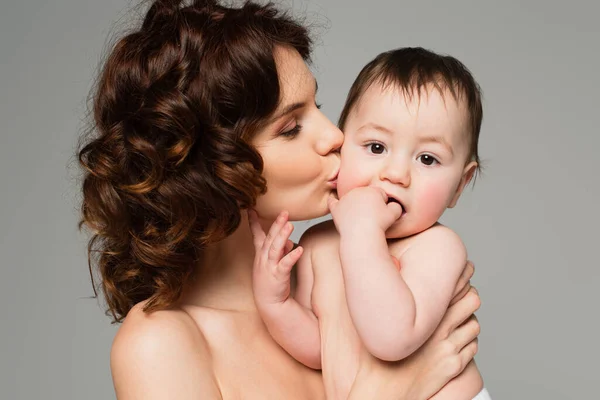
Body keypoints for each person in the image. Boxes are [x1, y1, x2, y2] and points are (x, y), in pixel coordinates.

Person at [77, 1, 482, 398]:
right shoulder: (159, 344)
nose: (336, 137)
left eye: (318, 107)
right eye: (291, 127)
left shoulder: (344, 275)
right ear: (213, 162)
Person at [251, 47, 491, 400]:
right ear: (342, 146)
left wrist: (364, 232)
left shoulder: (437, 247)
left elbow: (392, 339)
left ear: (459, 186)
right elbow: (324, 350)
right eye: (376, 147)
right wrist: (277, 306)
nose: (395, 174)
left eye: (427, 158)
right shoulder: (318, 243)